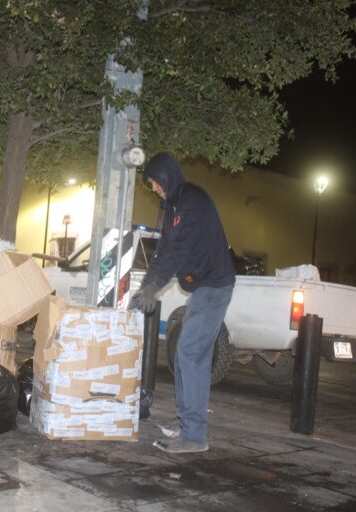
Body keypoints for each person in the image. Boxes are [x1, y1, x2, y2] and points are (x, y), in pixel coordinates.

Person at [129, 152, 235, 454]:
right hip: (202, 287)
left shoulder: (192, 200)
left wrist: (153, 289)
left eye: (153, 182)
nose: (152, 188)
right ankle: (186, 422)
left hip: (215, 286)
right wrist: (144, 288)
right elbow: (163, 251)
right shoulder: (174, 205)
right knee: (183, 355)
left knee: (190, 352)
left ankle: (195, 435)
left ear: (165, 177)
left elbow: (177, 251)